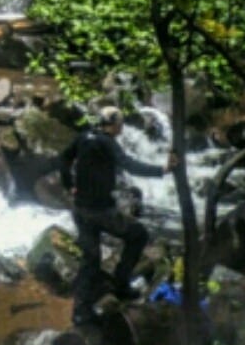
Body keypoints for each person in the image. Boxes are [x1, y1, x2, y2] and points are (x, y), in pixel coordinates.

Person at [59, 106, 176, 327]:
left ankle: (80, 312)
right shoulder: (107, 142)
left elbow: (63, 159)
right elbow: (129, 165)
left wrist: (69, 185)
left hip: (81, 209)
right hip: (101, 211)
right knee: (138, 235)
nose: (122, 127)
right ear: (114, 124)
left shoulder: (84, 137)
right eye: (121, 123)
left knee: (90, 260)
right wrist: (162, 170)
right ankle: (121, 284)